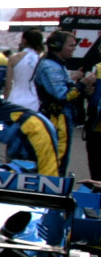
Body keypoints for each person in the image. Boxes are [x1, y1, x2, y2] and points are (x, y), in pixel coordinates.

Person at [34, 31, 96, 170]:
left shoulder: (56, 64)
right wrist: (82, 84)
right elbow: (62, 96)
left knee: (59, 159)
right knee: (56, 160)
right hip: (55, 119)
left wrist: (82, 90)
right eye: (71, 45)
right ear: (58, 46)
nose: (74, 48)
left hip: (60, 117)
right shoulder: (50, 66)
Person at [5, 29, 43, 111]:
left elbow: (8, 84)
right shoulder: (41, 60)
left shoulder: (13, 58)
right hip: (34, 100)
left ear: (24, 40)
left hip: (15, 98)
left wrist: (4, 102)